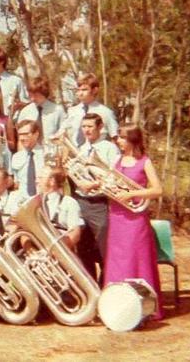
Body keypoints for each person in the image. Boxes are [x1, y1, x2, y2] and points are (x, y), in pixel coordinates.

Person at [104, 124, 163, 320]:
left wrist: (132, 193)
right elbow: (109, 183)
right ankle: (118, 308)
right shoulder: (117, 161)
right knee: (118, 262)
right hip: (117, 217)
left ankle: (145, 307)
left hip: (136, 220)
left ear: (133, 140)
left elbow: (157, 190)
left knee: (137, 259)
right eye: (118, 138)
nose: (119, 141)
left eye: (122, 138)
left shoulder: (144, 162)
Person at [71, 113, 121, 280]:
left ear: (100, 127)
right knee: (83, 248)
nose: (86, 130)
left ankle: (106, 283)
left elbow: (114, 175)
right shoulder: (80, 148)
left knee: (103, 247)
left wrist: (93, 185)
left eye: (90, 126)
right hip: (81, 201)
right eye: (84, 126)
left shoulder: (110, 148)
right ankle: (91, 286)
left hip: (99, 202)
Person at [36, 166, 84, 251]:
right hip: (40, 249)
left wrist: (58, 251)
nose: (36, 181)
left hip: (62, 250)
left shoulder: (69, 202)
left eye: (40, 178)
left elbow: (75, 234)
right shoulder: (35, 203)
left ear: (52, 181)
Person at [64, 73, 119, 145]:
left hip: (98, 152)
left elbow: (115, 136)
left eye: (84, 90)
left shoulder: (106, 112)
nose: (80, 93)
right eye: (78, 90)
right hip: (77, 153)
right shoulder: (72, 111)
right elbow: (64, 133)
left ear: (94, 90)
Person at [16, 76, 66, 142]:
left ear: (44, 93)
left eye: (36, 95)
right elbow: (19, 135)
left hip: (51, 149)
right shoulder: (25, 112)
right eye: (30, 95)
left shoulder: (58, 111)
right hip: (32, 150)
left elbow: (63, 132)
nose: (32, 99)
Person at [11, 120, 45, 198]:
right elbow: (17, 184)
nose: (22, 138)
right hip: (23, 202)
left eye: (26, 134)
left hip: (43, 199)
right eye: (20, 135)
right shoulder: (16, 157)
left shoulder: (45, 155)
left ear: (36, 134)